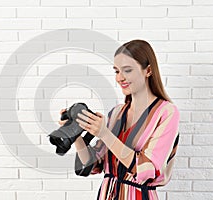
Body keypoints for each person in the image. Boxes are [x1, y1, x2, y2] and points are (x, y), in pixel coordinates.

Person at [59, 39, 180, 200]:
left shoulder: (166, 113)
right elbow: (93, 165)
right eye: (116, 71)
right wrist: (75, 134)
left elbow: (146, 170)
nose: (120, 78)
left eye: (127, 70)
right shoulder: (116, 113)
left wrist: (105, 134)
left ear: (148, 70)